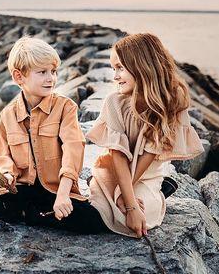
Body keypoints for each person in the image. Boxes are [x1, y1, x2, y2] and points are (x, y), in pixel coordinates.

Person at [0, 36, 107, 240]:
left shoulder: (65, 107)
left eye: (53, 71)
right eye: (42, 72)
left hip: (54, 190)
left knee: (91, 221)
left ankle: (19, 214)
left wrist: (64, 194)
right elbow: (0, 155)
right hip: (20, 189)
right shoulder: (8, 114)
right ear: (19, 77)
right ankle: (23, 213)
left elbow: (73, 150)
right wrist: (5, 177)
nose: (51, 78)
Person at [86, 33, 204, 238]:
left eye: (120, 68)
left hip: (146, 174)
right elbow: (118, 155)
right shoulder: (114, 102)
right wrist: (128, 201)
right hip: (116, 170)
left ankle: (161, 188)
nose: (115, 76)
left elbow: (151, 152)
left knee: (134, 219)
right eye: (113, 69)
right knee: (101, 211)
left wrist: (128, 201)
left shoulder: (172, 100)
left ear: (141, 65)